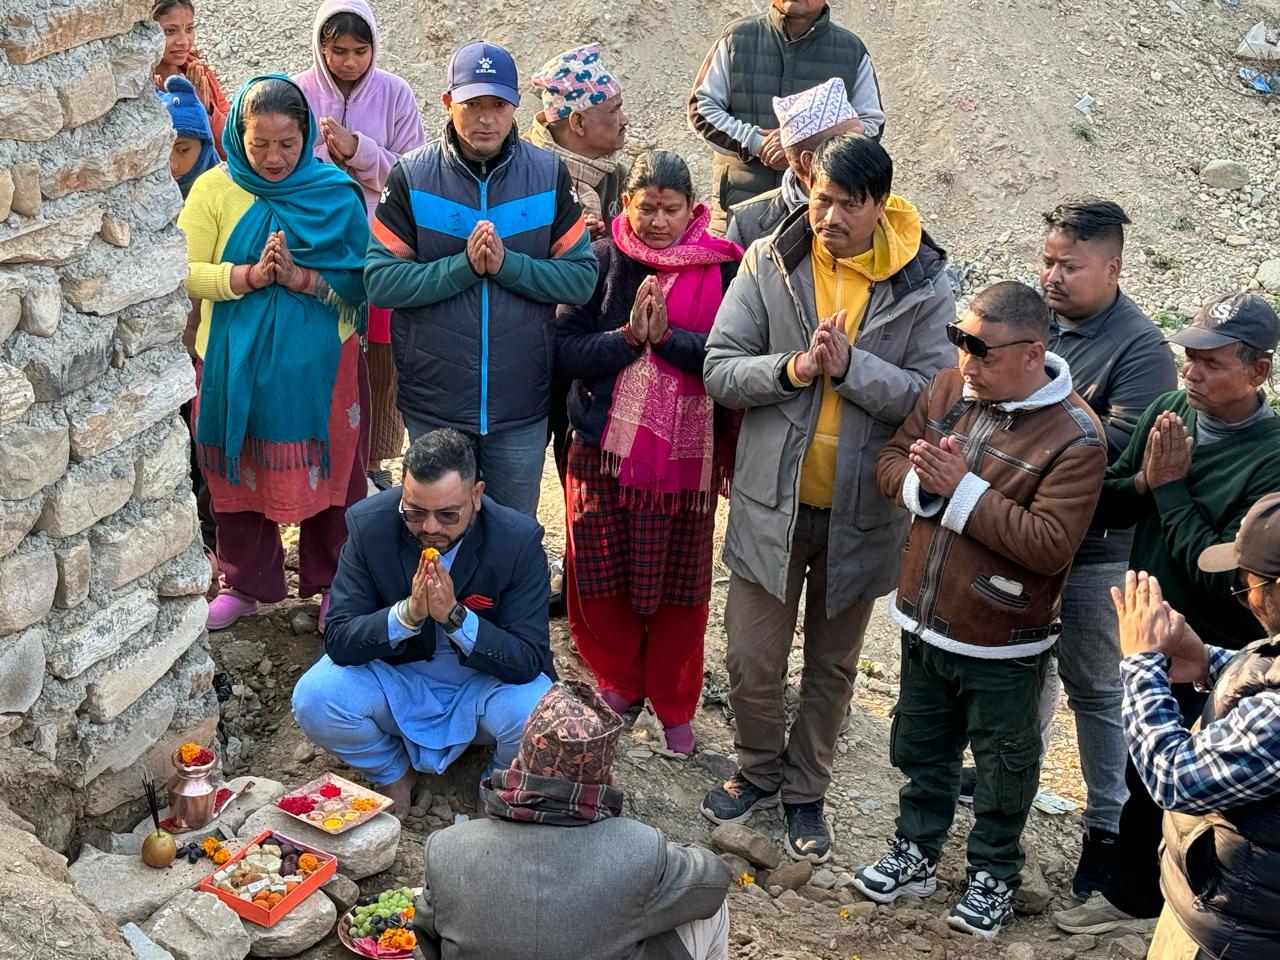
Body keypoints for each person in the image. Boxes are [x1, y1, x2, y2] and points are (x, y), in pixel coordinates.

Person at [700, 134, 953, 864]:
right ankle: (756, 769)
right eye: (821, 199)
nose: (830, 216)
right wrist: (794, 367)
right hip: (769, 503)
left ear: (880, 204)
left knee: (833, 668)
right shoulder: (769, 261)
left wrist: (851, 369)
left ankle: (806, 791)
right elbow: (720, 368)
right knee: (751, 658)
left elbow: (933, 397)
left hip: (863, 515)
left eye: (848, 203)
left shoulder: (923, 284)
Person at [858, 281, 1107, 938]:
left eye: (981, 351)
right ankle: (915, 851)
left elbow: (1050, 545)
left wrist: (960, 489)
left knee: (1002, 766)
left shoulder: (1077, 437)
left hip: (1003, 642)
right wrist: (923, 488)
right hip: (923, 619)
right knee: (922, 746)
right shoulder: (948, 392)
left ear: (1032, 353)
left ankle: (994, 874)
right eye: (959, 341)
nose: (965, 363)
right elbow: (891, 461)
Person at [1054, 291, 1280, 936]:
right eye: (1190, 358)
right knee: (1139, 766)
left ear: (1257, 371)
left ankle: (1171, 909)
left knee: (1203, 788)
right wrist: (1148, 484)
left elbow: (1232, 575)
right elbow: (1110, 503)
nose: (1192, 374)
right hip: (1151, 624)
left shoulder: (1271, 456)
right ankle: (1134, 898)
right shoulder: (1169, 410)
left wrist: (1172, 487)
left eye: (1211, 363)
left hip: (1223, 641)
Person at [1006, 199, 1177, 899]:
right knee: (1027, 671)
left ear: (1112, 267)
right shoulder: (1035, 323)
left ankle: (1107, 827)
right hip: (1021, 537)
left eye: (1069, 266)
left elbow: (1113, 454)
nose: (1051, 276)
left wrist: (1025, 447)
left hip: (1099, 548)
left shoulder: (1141, 349)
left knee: (1099, 692)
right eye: (1047, 260)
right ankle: (1009, 786)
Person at [555, 152, 742, 758]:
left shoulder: (724, 271)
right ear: (625, 205)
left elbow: (730, 358)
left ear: (694, 209)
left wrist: (669, 341)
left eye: (671, 208)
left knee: (679, 587)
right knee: (600, 567)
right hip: (602, 445)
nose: (658, 221)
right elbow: (565, 349)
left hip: (687, 464)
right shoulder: (601, 259)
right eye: (647, 207)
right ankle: (619, 679)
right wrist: (628, 339)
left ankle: (674, 700)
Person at [365, 40, 597, 518]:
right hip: (434, 404)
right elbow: (382, 282)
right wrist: (464, 268)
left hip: (520, 404)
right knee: (435, 534)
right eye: (473, 104)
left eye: (498, 105)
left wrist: (507, 265)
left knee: (509, 536)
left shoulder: (547, 174)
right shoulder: (413, 177)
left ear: (516, 107)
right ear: (449, 103)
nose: (486, 119)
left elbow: (580, 279)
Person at [177, 75, 371, 632]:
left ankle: (336, 584)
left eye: (287, 143)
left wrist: (301, 277)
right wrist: (247, 276)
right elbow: (183, 272)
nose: (273, 157)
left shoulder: (333, 191)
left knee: (333, 477)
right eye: (259, 143)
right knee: (236, 471)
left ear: (307, 134)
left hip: (323, 367)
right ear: (238, 134)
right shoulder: (214, 190)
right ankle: (244, 583)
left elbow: (362, 279)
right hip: (232, 364)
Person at [292, 429, 555, 813]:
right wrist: (407, 614)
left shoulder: (517, 541)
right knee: (315, 697)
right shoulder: (370, 527)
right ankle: (390, 771)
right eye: (415, 512)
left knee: (539, 712)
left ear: (476, 496)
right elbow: (340, 640)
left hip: (479, 687)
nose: (431, 528)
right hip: (396, 678)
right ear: (402, 492)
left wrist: (455, 618)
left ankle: (498, 783)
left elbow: (529, 658)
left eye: (449, 514)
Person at [413, 680, 732, 960]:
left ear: (516, 763)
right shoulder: (640, 850)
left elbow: (427, 944)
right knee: (707, 911)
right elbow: (716, 880)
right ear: (606, 778)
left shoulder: (447, 848)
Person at [1109, 498, 1280, 960]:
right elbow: (1265, 680)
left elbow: (1174, 778)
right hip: (1228, 912)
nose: (1244, 595)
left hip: (1235, 939)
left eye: (1248, 584)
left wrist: (1141, 664)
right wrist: (1208, 661)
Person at [295, 0, 426, 493]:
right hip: (320, 245)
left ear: (374, 47)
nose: (348, 62)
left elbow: (415, 173)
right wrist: (327, 164)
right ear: (320, 48)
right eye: (337, 51)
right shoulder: (300, 92)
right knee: (325, 345)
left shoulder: (395, 93)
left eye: (359, 50)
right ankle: (318, 449)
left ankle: (372, 457)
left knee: (378, 355)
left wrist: (358, 150)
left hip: (384, 242)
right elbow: (284, 165)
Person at [528, 42, 630, 496]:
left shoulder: (613, 176)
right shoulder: (530, 176)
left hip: (589, 346)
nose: (625, 120)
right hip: (533, 351)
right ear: (578, 122)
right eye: (615, 109)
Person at [688, 0, 884, 230]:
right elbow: (701, 109)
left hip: (821, 217)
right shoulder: (737, 38)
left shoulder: (851, 50)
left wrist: (800, 148)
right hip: (738, 209)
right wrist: (756, 143)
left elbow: (871, 125)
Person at [725, 77, 863, 251]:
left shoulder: (882, 209)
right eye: (849, 142)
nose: (865, 148)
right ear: (809, 161)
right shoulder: (747, 224)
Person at [152, 0, 231, 158]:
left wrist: (206, 110)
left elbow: (232, 143)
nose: (184, 41)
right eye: (170, 31)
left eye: (189, 29)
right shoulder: (142, 87)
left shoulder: (199, 72)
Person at [158, 75, 220, 198]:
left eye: (183, 150)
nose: (171, 165)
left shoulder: (230, 193)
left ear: (205, 146)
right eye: (160, 152)